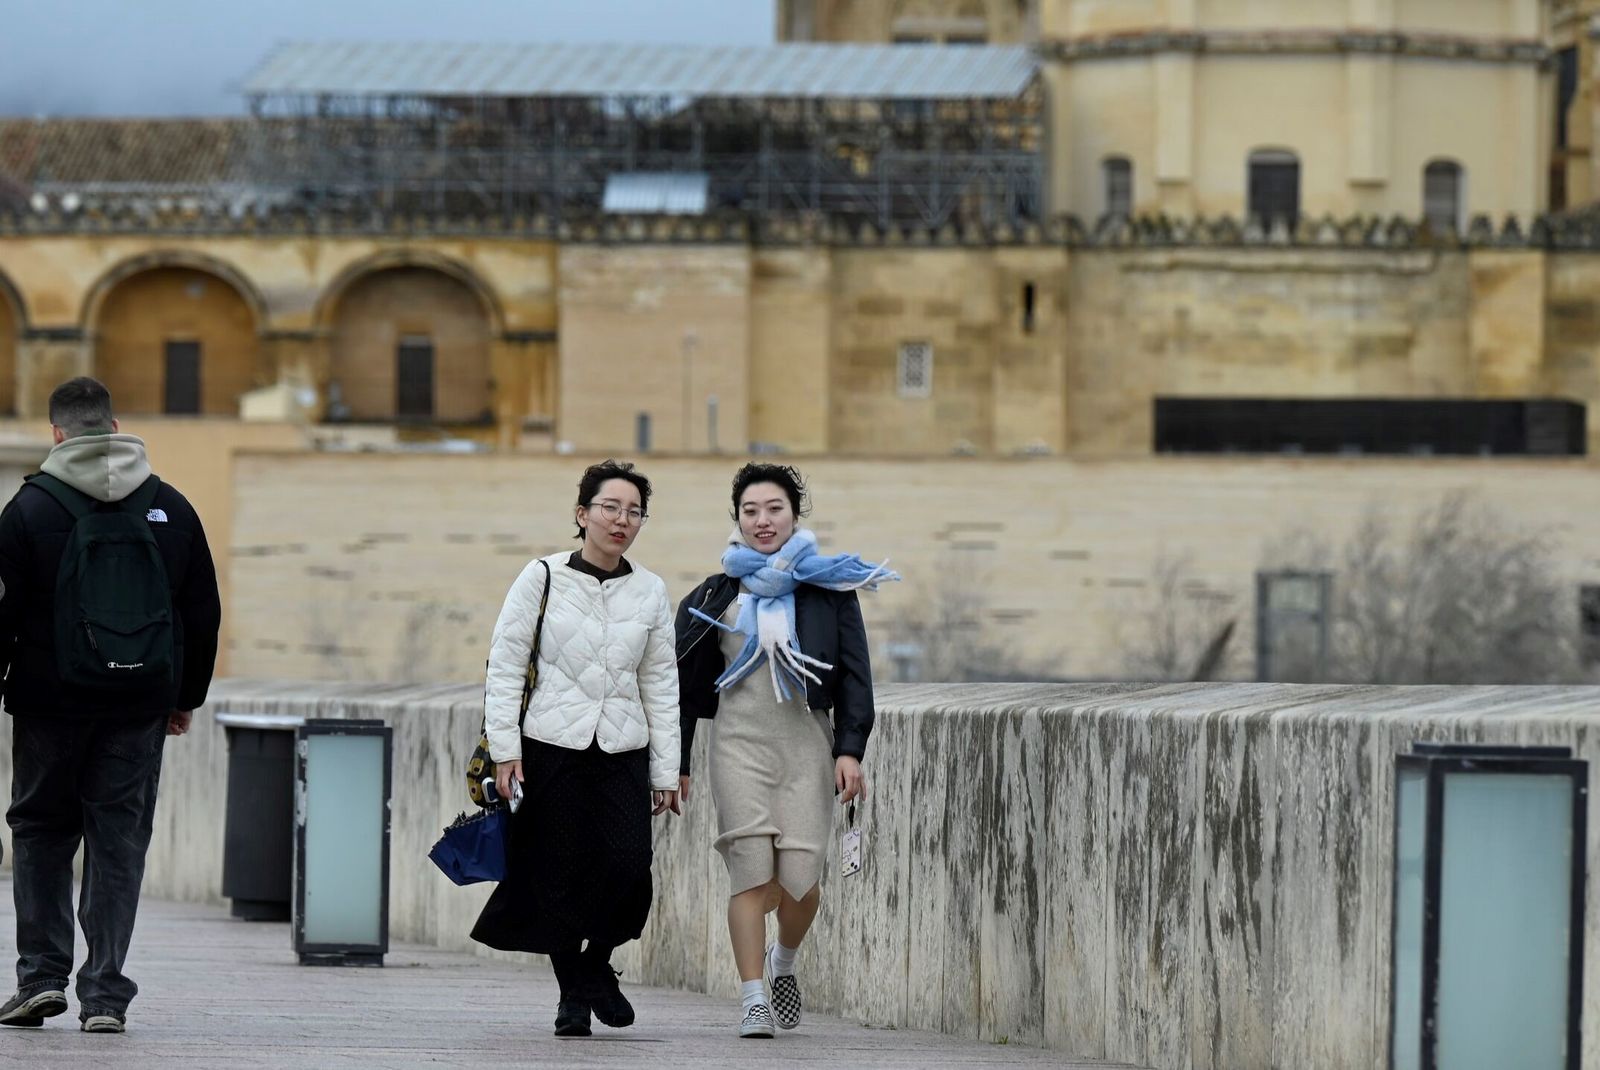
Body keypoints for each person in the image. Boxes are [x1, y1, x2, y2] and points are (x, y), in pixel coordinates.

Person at [0, 377, 221, 1034]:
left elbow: (3, 613)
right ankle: (105, 995)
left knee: (41, 834)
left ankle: (40, 978)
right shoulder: (171, 507)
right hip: (138, 706)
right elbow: (202, 614)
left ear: (58, 434)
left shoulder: (28, 510)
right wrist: (184, 698)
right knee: (118, 841)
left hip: (47, 703)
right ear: (117, 427)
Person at [675, 463, 895, 1038]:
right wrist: (674, 764)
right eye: (750, 511)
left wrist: (850, 748)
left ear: (794, 514)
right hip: (737, 744)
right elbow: (680, 686)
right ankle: (752, 999)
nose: (762, 521)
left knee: (801, 879)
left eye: (773, 508)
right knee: (749, 874)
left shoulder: (828, 592)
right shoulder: (714, 593)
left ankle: (783, 963)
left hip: (805, 744)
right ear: (737, 520)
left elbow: (854, 677)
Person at [470, 459, 681, 1038]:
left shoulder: (651, 591)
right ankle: (572, 997)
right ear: (583, 514)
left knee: (628, 863)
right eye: (610, 507)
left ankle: (594, 968)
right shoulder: (540, 577)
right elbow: (506, 666)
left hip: (622, 748)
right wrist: (507, 751)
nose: (621, 520)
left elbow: (661, 684)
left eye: (634, 511)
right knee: (556, 873)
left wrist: (666, 770)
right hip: (550, 745)